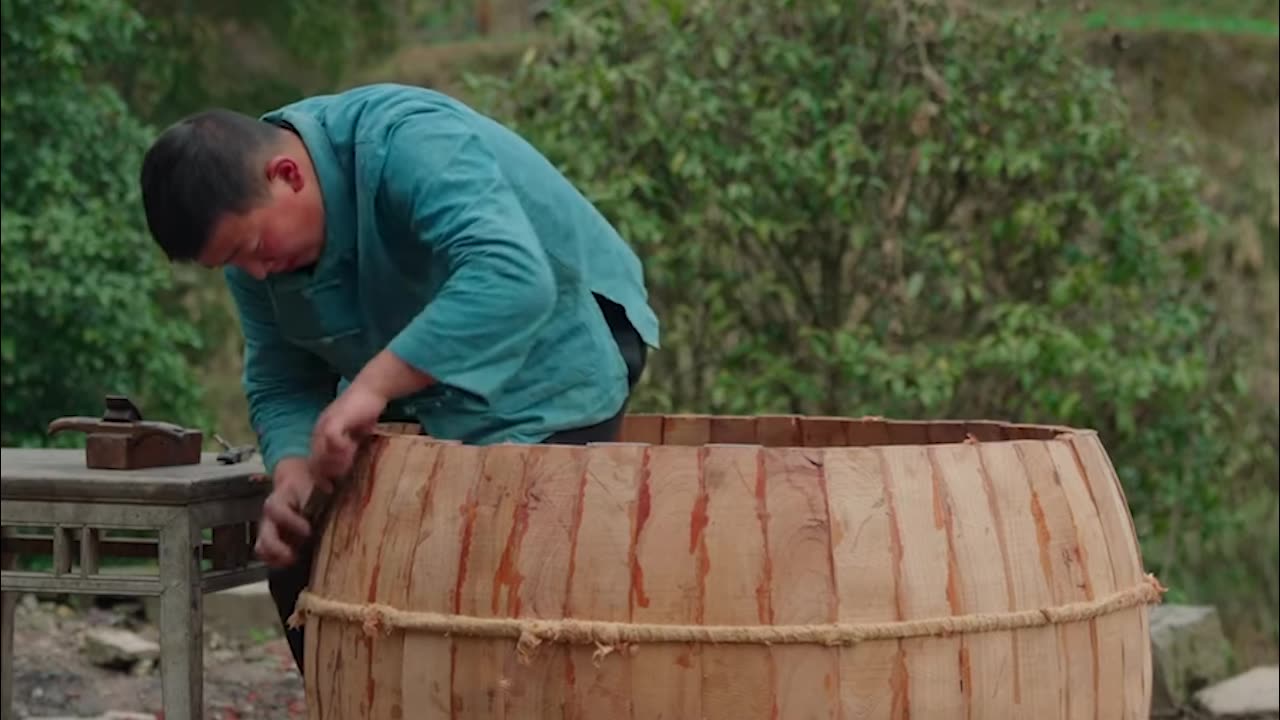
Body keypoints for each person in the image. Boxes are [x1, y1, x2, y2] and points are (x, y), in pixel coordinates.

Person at [138, 82, 660, 673]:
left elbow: (511, 276)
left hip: (559, 348)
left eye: (255, 246)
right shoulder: (253, 260)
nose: (255, 271)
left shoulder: (406, 139)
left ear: (288, 174)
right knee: (299, 556)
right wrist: (290, 473)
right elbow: (281, 382)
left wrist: (372, 387)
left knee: (500, 572)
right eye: (233, 262)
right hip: (413, 383)